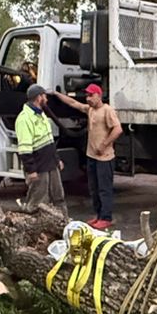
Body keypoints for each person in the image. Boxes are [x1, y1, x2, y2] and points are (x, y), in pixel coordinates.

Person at [52, 83, 123, 229]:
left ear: (99, 95)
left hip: (104, 158)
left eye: (91, 95)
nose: (88, 98)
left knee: (104, 188)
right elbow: (73, 103)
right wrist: (57, 94)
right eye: (87, 95)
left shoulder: (107, 110)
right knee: (94, 188)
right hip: (92, 156)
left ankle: (106, 217)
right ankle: (98, 214)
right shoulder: (90, 109)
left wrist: (104, 144)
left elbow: (118, 129)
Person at [15, 84, 65, 211]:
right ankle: (34, 221)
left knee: (58, 197)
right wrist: (31, 170)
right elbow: (24, 148)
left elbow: (49, 140)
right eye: (45, 96)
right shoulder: (24, 119)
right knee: (38, 202)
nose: (46, 99)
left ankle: (63, 220)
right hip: (39, 167)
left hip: (50, 164)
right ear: (39, 98)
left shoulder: (41, 114)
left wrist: (57, 159)